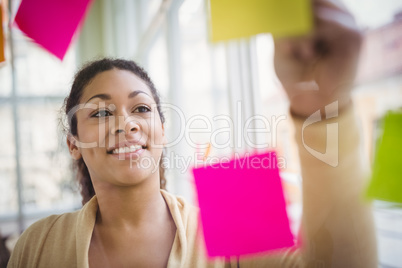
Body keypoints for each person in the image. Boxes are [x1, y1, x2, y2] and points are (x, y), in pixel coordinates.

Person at [7, 0, 377, 267]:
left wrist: (323, 107)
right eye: (102, 112)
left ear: (162, 131)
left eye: (141, 108)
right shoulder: (37, 245)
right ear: (73, 144)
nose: (126, 123)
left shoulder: (230, 215)